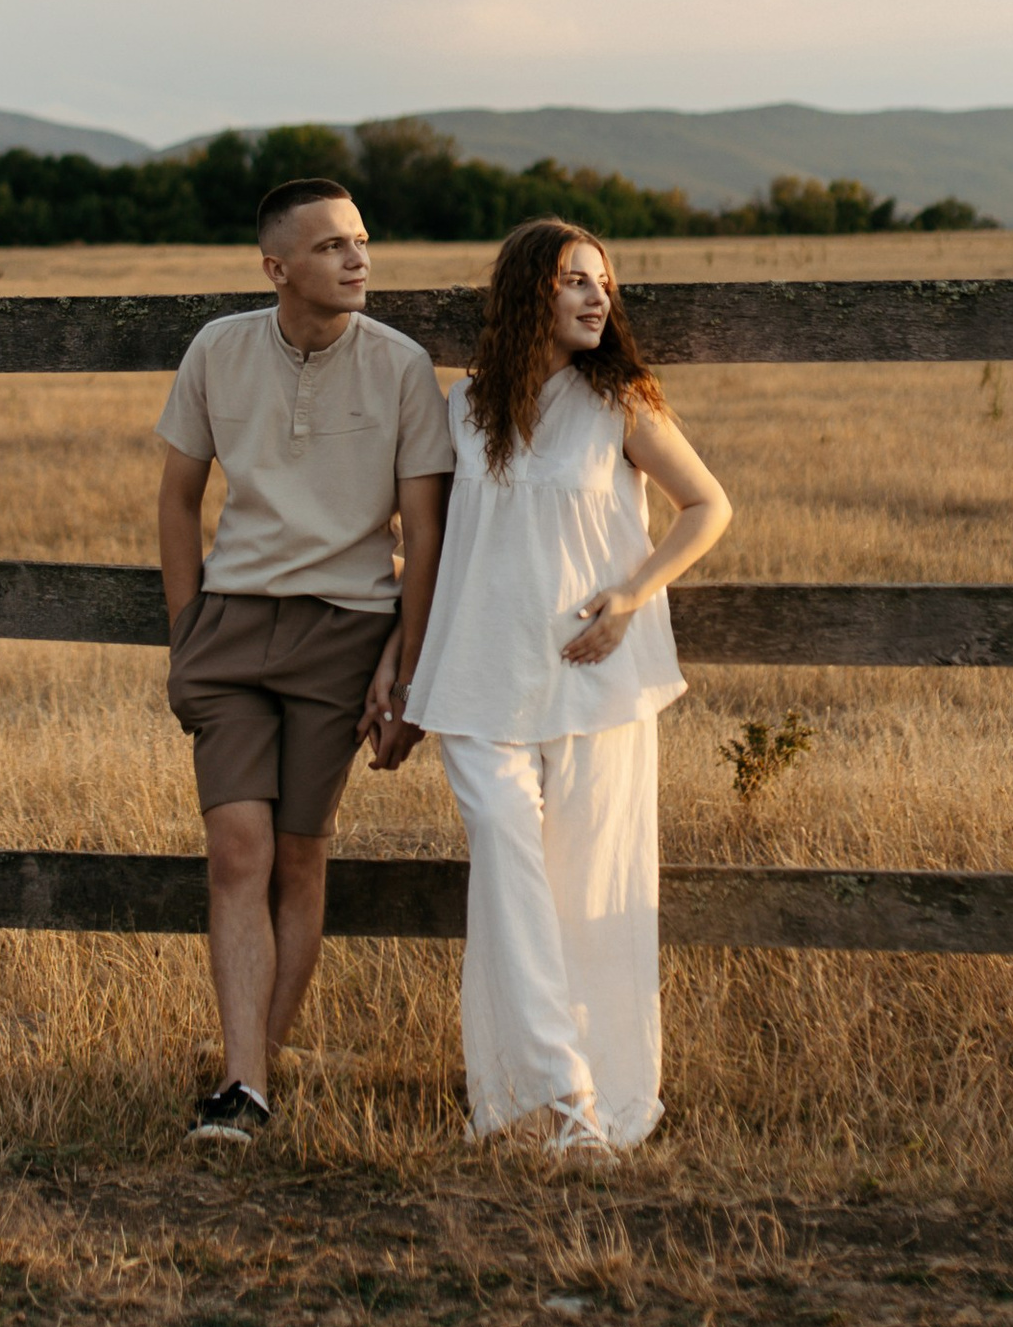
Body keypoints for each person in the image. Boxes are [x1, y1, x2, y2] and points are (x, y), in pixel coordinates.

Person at [381, 217, 730, 1151]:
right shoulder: (463, 408)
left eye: (603, 285)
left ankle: (599, 1103)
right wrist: (400, 663)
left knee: (589, 884)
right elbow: (430, 545)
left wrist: (632, 592)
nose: (595, 297)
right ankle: (551, 1088)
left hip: (595, 679)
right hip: (477, 675)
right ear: (529, 288)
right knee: (507, 857)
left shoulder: (620, 399)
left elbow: (709, 506)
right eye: (576, 280)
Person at [155, 176, 453, 1143]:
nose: (357, 258)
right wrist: (186, 627)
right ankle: (246, 1085)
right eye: (330, 246)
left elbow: (424, 527)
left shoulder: (404, 367)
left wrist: (407, 665)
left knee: (297, 853)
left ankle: (247, 1082)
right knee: (235, 852)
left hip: (344, 630)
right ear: (277, 268)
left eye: (362, 240)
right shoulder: (219, 349)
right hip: (233, 631)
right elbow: (178, 498)